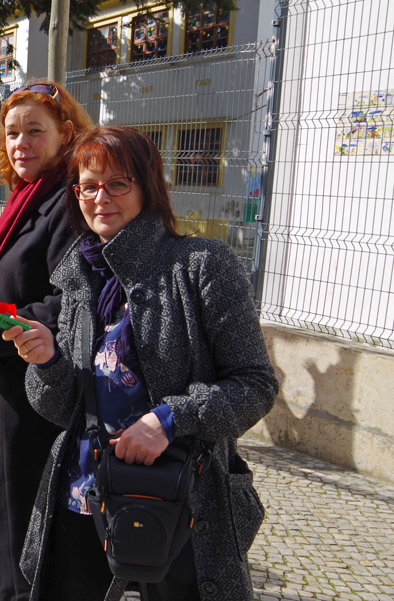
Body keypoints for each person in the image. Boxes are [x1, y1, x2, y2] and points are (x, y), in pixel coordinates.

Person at [15, 126, 278, 600]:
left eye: (117, 183)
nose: (100, 198)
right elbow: (65, 411)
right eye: (88, 186)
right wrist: (49, 363)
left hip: (181, 501)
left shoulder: (201, 265)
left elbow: (255, 385)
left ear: (148, 186)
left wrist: (170, 420)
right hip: (87, 495)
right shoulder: (79, 276)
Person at [0, 81, 94, 601]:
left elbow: (68, 302)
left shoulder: (70, 200)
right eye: (12, 133)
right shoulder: (25, 197)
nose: (20, 144)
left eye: (35, 131)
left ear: (66, 134)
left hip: (28, 396)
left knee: (14, 537)